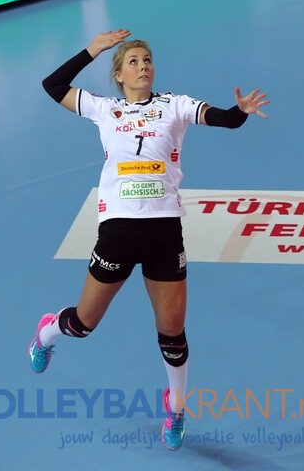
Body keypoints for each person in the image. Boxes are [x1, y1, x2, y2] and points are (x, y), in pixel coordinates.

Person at [29, 29, 269, 450]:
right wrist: (93, 49)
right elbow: (53, 85)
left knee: (172, 332)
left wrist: (241, 111)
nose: (143, 67)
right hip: (118, 230)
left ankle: (176, 408)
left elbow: (225, 119)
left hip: (164, 229)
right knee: (83, 325)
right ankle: (48, 332)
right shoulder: (104, 108)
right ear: (120, 75)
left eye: (147, 60)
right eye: (133, 62)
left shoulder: (174, 105)